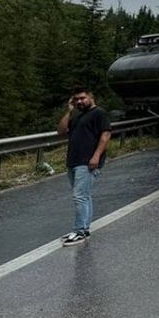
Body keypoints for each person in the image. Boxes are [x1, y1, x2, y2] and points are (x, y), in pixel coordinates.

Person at [55, 87, 111, 246]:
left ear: (91, 97)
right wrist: (69, 111)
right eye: (76, 99)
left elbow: (105, 135)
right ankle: (84, 229)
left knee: (80, 196)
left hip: (87, 162)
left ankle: (79, 231)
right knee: (84, 196)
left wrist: (96, 156)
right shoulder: (78, 116)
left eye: (82, 98)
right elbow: (61, 131)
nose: (79, 101)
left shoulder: (99, 113)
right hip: (73, 161)